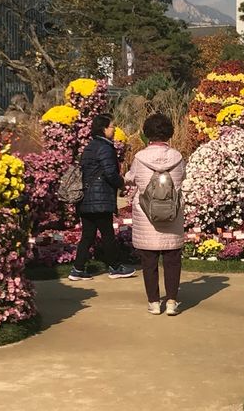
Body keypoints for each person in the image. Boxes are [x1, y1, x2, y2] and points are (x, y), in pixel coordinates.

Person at [125, 113, 186, 316]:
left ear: (147, 133)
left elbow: (132, 178)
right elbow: (182, 178)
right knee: (172, 260)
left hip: (147, 217)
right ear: (169, 132)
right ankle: (171, 302)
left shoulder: (140, 158)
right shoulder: (178, 158)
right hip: (171, 215)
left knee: (149, 261)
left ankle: (153, 302)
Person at [69, 114, 136, 281]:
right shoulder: (105, 148)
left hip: (86, 198)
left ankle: (77, 269)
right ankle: (115, 267)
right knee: (107, 235)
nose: (114, 129)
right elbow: (110, 172)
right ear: (104, 129)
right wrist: (121, 183)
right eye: (112, 126)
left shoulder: (90, 146)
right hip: (100, 199)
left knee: (88, 235)